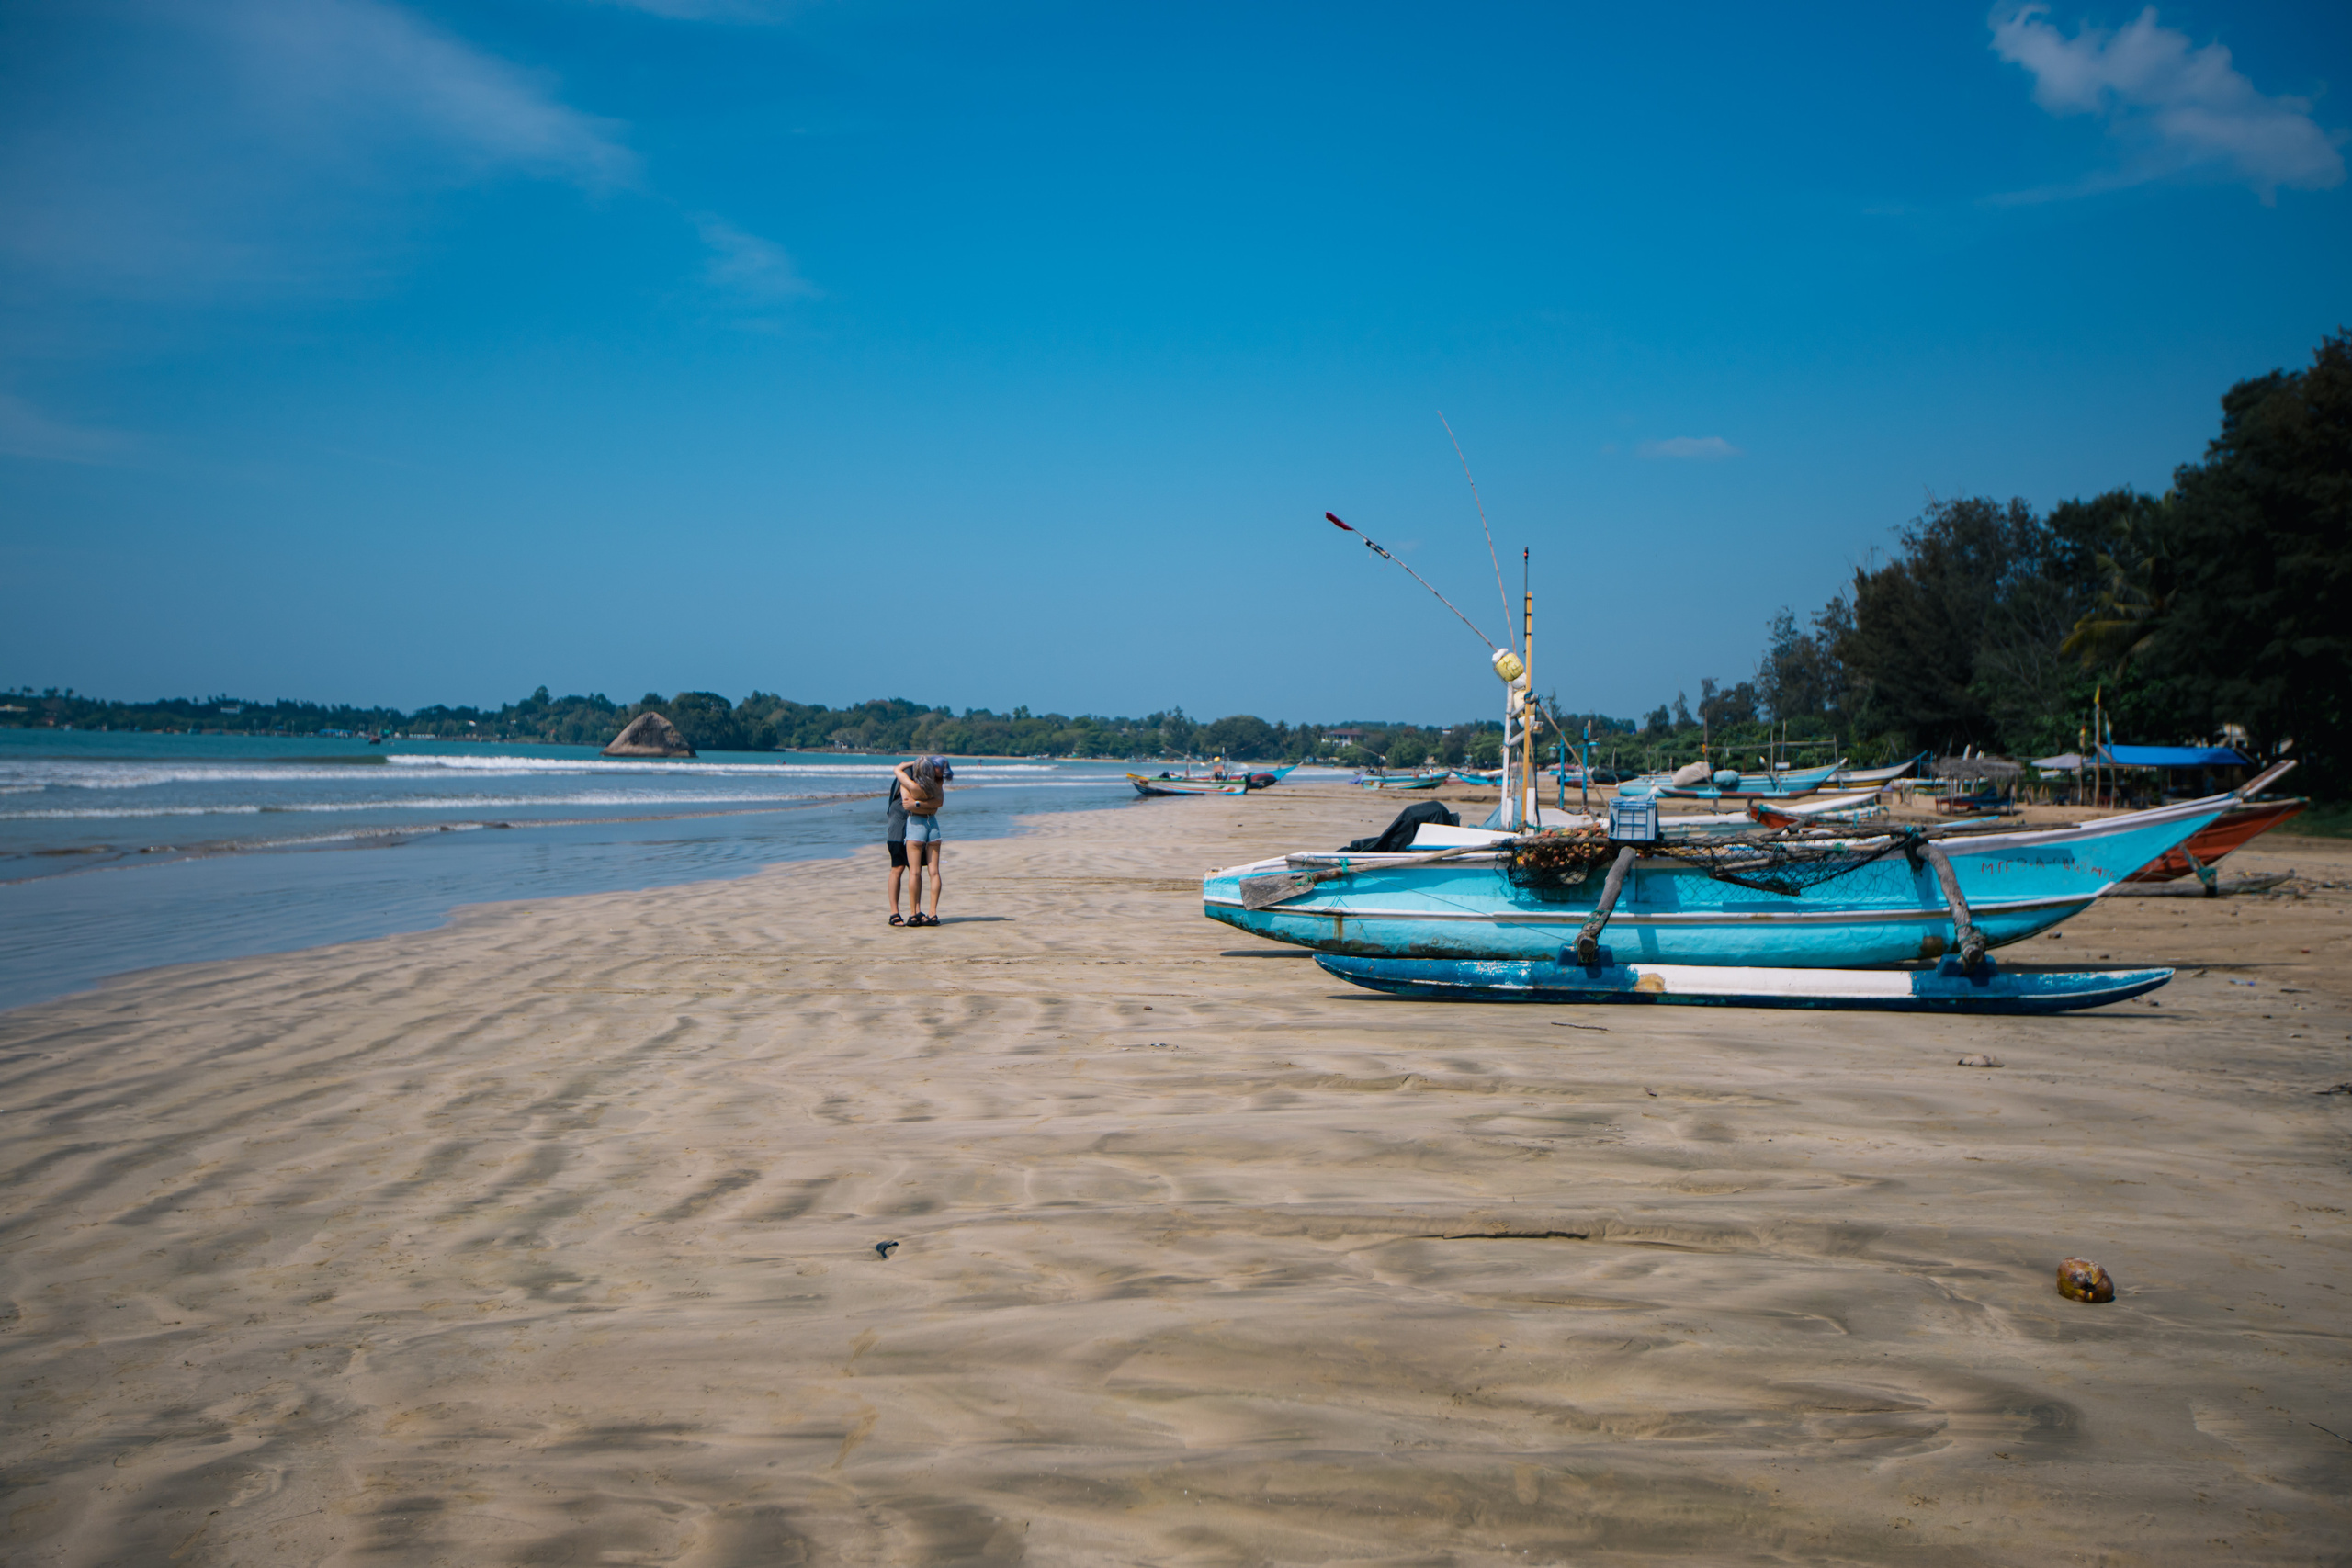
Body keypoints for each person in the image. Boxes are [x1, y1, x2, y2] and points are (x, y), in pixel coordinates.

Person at [891, 755, 951, 926]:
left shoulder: (911, 785)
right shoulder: (937, 785)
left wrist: (912, 762)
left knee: (914, 872)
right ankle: (932, 914)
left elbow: (897, 769)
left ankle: (913, 914)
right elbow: (939, 802)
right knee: (934, 872)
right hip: (933, 825)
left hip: (915, 825)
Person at [884, 770, 910, 925]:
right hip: (897, 830)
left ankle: (915, 911)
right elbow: (898, 769)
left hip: (913, 830)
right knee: (898, 868)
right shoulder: (905, 777)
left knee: (915, 870)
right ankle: (894, 912)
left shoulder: (913, 776)